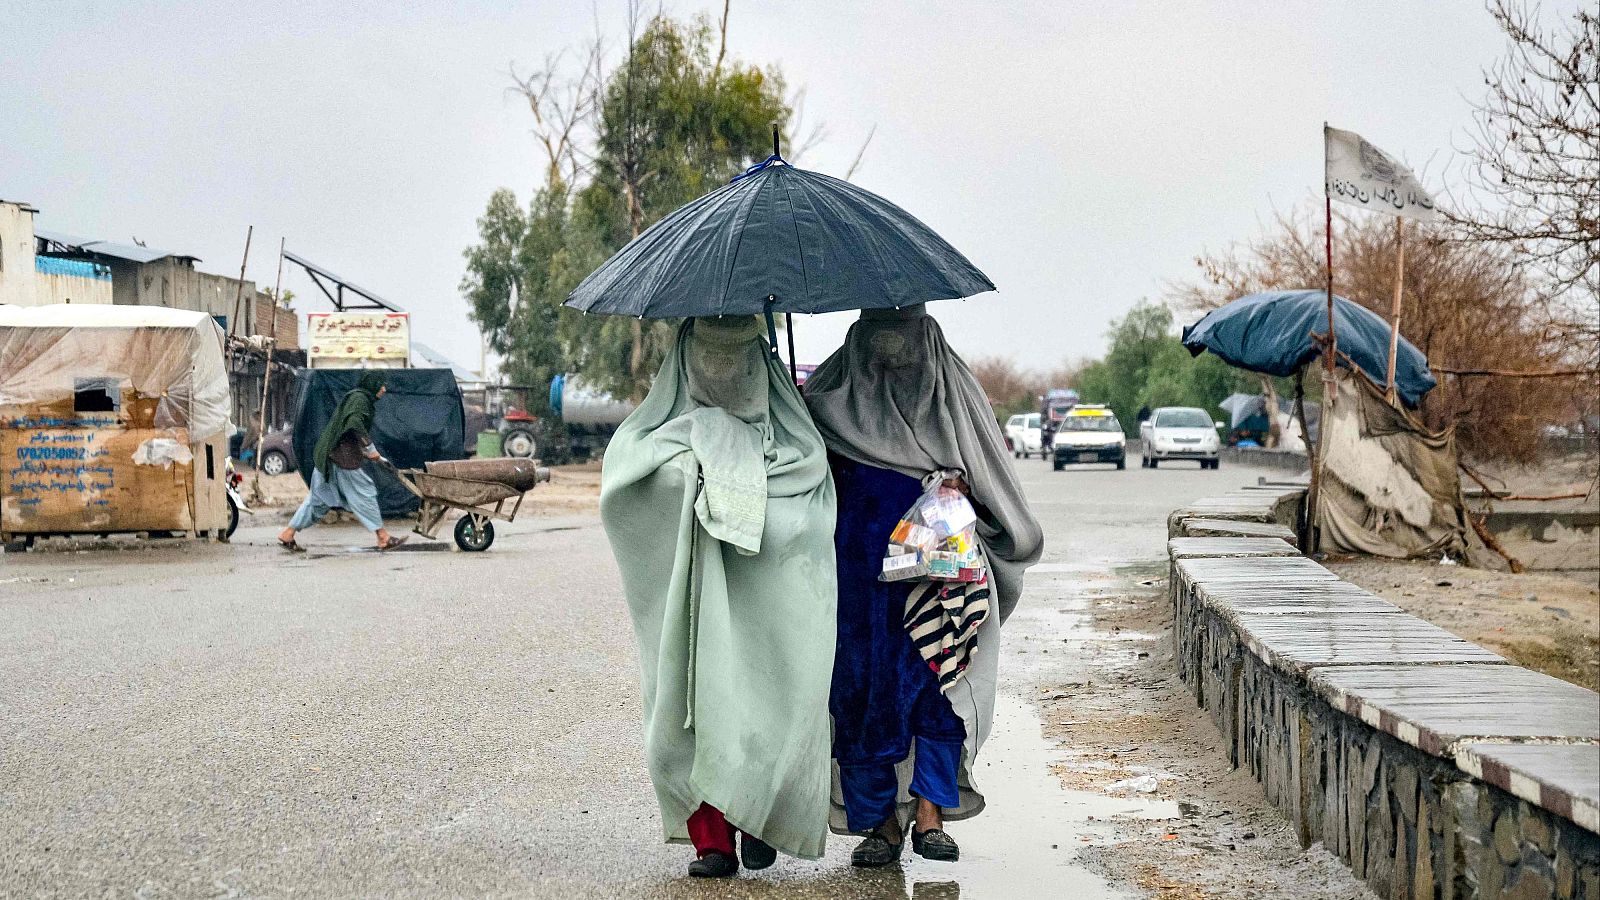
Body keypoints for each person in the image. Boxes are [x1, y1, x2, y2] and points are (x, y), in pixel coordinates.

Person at [804, 304, 1043, 867]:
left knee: (940, 684)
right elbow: (799, 470)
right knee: (858, 693)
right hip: (854, 580)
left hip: (937, 574)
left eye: (903, 323)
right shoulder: (826, 394)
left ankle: (932, 813)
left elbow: (993, 476)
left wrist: (957, 487)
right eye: (879, 323)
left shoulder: (954, 391)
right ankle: (878, 824)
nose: (892, 339)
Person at [599, 316, 838, 878]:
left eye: (739, 361)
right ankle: (713, 841)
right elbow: (626, 494)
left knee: (768, 698)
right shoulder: (650, 438)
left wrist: (743, 485)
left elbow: (808, 514)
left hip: (770, 605)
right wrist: (685, 478)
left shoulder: (796, 445)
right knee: (694, 708)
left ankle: (759, 818)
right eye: (709, 358)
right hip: (688, 606)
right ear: (684, 362)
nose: (723, 372)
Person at [278, 371, 406, 551]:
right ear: (373, 385)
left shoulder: (357, 398)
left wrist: (363, 450)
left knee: (319, 500)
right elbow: (354, 423)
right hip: (341, 457)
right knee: (365, 492)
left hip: (329, 454)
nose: (384, 389)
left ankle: (288, 533)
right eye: (381, 385)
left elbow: (346, 427)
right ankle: (383, 537)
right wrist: (370, 449)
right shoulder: (360, 400)